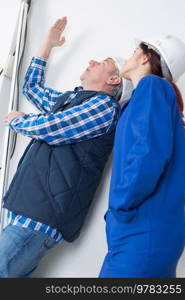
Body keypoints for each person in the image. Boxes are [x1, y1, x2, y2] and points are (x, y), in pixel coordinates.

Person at [0, 17, 133, 277]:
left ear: (114, 80)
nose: (92, 61)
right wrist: (47, 46)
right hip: (30, 210)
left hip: (41, 215)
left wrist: (19, 121)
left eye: (102, 63)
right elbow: (32, 88)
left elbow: (53, 128)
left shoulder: (104, 107)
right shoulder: (73, 100)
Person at [99, 35, 185, 278]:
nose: (128, 56)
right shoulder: (154, 96)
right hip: (149, 233)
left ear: (146, 56)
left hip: (141, 233)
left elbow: (148, 153)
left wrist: (120, 206)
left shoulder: (152, 87)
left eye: (134, 50)